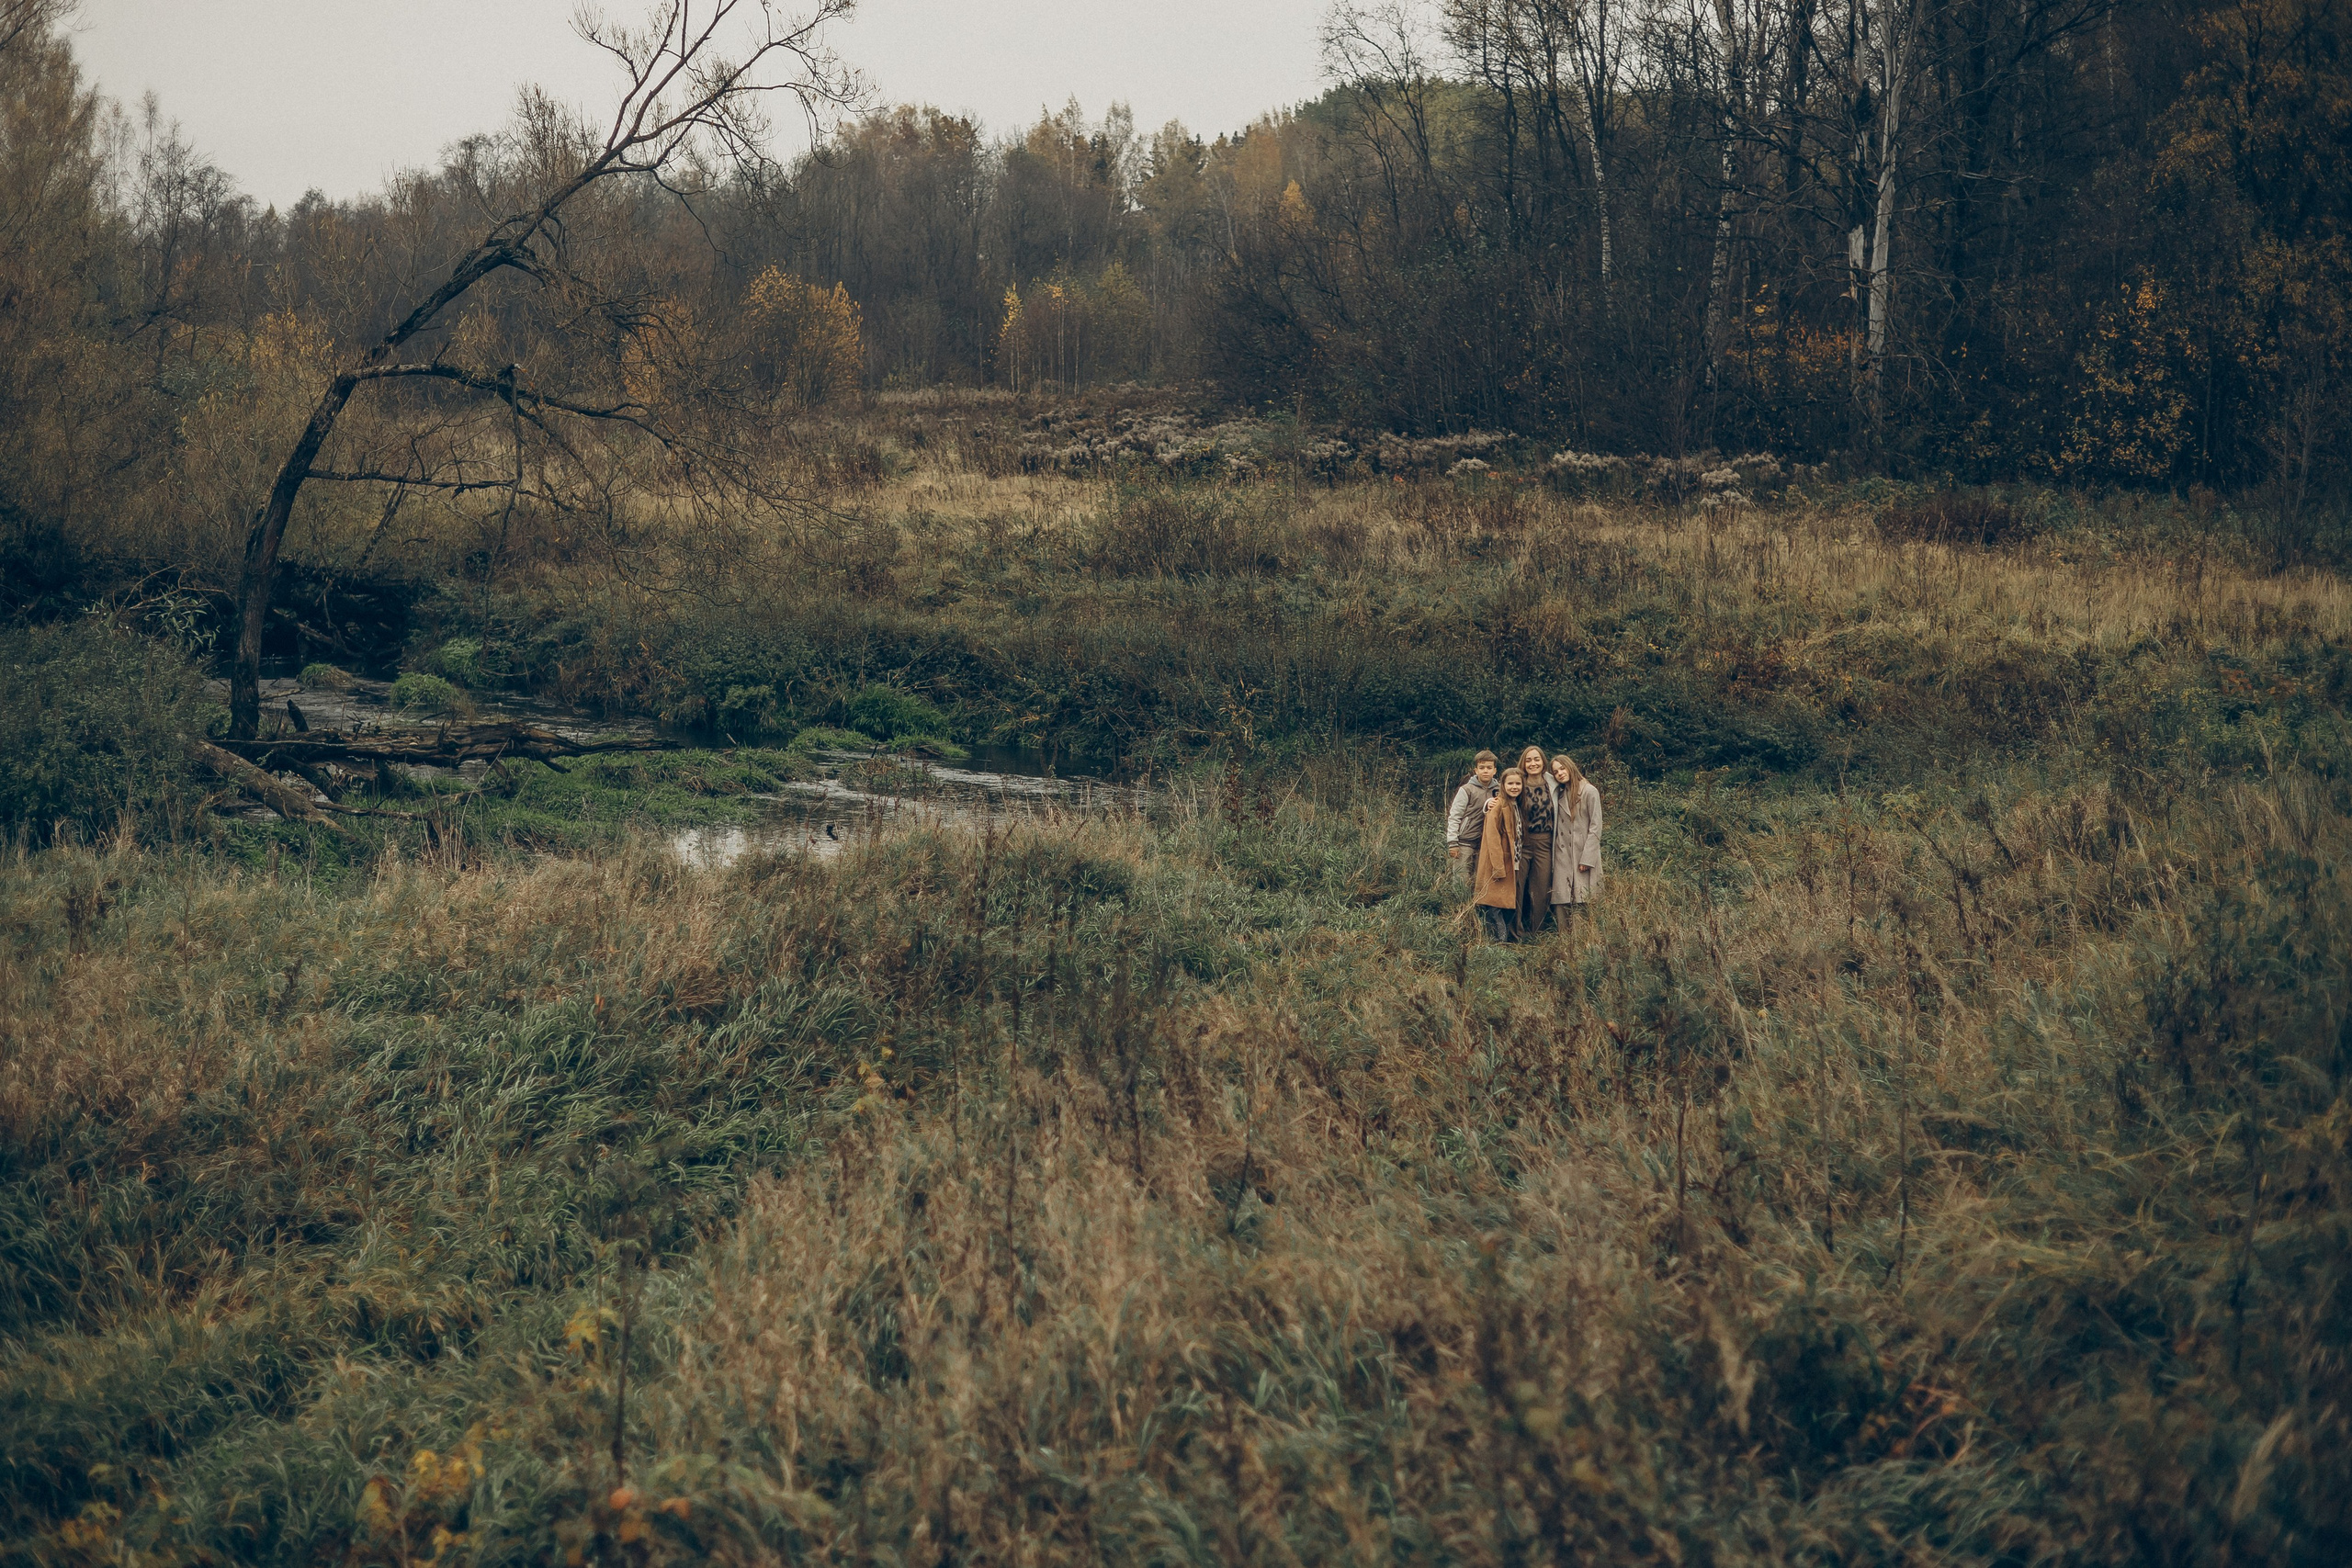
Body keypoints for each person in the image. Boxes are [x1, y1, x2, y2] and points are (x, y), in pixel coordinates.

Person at [1546, 753, 1603, 931]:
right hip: (1563, 855)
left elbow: (1596, 827)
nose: (1560, 773)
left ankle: (1582, 943)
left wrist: (1587, 858)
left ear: (1570, 766)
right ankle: (1565, 944)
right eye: (1556, 772)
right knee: (1562, 899)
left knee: (1582, 898)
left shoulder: (1589, 791)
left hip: (1582, 854)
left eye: (1562, 768)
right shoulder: (1560, 794)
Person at [1475, 767, 1526, 942]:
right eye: (1510, 783)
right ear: (1502, 785)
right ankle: (1497, 942)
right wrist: (1498, 867)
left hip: (1514, 861)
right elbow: (1492, 839)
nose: (1514, 787)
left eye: (1518, 783)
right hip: (1500, 863)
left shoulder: (1516, 804)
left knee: (1508, 904)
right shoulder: (1497, 806)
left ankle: (1502, 940)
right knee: (1495, 905)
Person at [1512, 743, 1554, 932]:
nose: (1533, 763)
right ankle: (1515, 931)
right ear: (1523, 763)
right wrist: (1489, 802)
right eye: (1528, 760)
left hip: (1545, 842)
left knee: (1541, 888)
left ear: (1543, 761)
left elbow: (1575, 784)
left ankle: (1537, 930)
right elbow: (1499, 796)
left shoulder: (1552, 783)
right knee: (1517, 887)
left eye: (1536, 759)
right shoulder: (1518, 782)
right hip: (1522, 842)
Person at [1445, 750, 1498, 891]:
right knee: (1461, 878)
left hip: (1486, 842)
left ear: (1495, 770)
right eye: (1482, 768)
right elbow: (1454, 816)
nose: (1485, 771)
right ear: (1476, 770)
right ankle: (1459, 908)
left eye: (1489, 768)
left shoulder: (1499, 789)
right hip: (1465, 841)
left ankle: (1477, 908)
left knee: (1480, 878)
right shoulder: (1467, 790)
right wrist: (1452, 842)